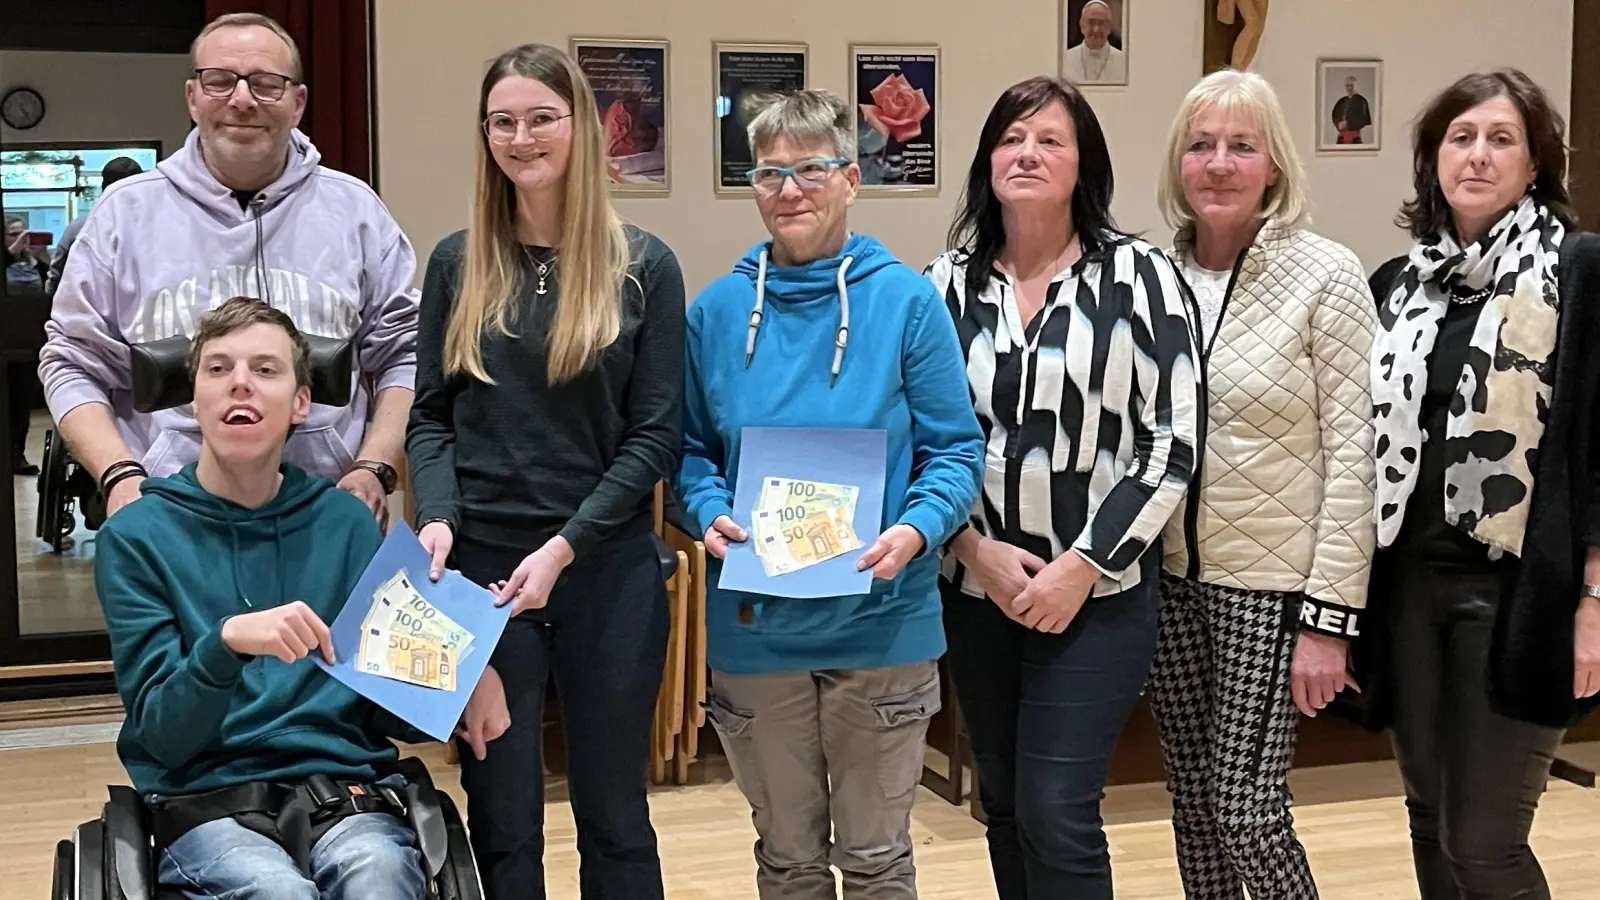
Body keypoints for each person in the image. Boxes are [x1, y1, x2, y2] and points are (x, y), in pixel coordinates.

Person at [93, 296, 509, 900]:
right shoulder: (137, 537)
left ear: (300, 403)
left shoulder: (346, 525)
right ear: (193, 400)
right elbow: (162, 739)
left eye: (265, 370)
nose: (240, 383)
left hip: (346, 795)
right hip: (205, 804)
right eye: (218, 369)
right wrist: (224, 646)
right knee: (279, 893)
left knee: (378, 877)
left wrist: (462, 678)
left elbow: (386, 710)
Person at [677, 88, 983, 900]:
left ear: (851, 180)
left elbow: (955, 452)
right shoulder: (715, 313)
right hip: (757, 633)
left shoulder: (908, 304)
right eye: (769, 173)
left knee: (878, 861)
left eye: (811, 170)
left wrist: (915, 531)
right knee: (787, 861)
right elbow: (690, 453)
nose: (789, 190)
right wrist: (706, 511)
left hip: (881, 629)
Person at [405, 42, 684, 900]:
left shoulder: (644, 266)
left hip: (604, 569)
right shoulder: (457, 263)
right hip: (482, 578)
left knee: (615, 816)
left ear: (582, 129)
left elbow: (654, 438)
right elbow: (430, 416)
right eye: (503, 122)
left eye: (541, 119)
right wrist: (437, 516)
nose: (521, 138)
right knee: (501, 819)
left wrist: (564, 547)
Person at [925, 75, 1201, 899]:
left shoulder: (1141, 277)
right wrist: (973, 552)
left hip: (1098, 595)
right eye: (1011, 138)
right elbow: (917, 438)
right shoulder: (942, 286)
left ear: (1085, 164)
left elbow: (1172, 442)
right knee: (1005, 805)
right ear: (987, 160)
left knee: (1057, 810)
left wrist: (1082, 566)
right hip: (977, 591)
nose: (1028, 153)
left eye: (1050, 140)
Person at [1357, 67, 1600, 900]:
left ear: (1535, 164)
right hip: (1407, 591)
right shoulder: (1399, 284)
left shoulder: (1580, 270)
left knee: (1484, 844)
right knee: (1430, 821)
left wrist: (1595, 605)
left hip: (1518, 596)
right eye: (1460, 138)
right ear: (1433, 159)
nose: (1478, 155)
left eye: (1502, 139)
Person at [37, 12, 418, 525]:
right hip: (168, 516)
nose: (242, 100)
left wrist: (374, 467)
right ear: (192, 96)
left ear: (298, 102)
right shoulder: (122, 216)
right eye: (219, 81)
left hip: (327, 515)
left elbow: (404, 353)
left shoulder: (356, 212)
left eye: (266, 83)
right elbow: (73, 363)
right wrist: (120, 475)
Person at [1149, 68, 1376, 900]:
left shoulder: (1327, 274)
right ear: (1179, 161)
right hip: (1169, 582)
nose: (1219, 163)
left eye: (1242, 146)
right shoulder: (1150, 274)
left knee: (1245, 808)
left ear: (1274, 163)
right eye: (1202, 145)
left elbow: (1358, 455)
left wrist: (1330, 622)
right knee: (1193, 805)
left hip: (1273, 589)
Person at [46, 155, 144, 295]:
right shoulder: (153, 227)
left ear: (104, 187)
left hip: (90, 302)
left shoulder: (81, 227)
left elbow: (57, 273)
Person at [1061, 0, 1126, 84]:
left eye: (1101, 23)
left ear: (1109, 27)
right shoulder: (1065, 59)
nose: (1096, 29)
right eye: (1091, 22)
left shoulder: (1124, 61)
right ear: (1082, 26)